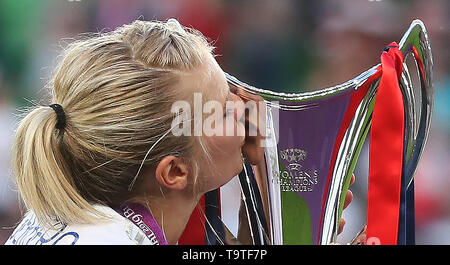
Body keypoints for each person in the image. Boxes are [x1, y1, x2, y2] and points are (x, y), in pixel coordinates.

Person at [5, 18, 352, 245]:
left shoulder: (75, 213)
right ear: (174, 171)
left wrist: (271, 223)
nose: (245, 106)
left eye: (229, 88)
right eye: (221, 110)